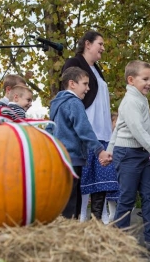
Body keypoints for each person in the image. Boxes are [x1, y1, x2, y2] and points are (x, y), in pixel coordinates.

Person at [106, 60, 150, 254]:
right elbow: (137, 131)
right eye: (145, 79)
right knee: (127, 199)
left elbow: (120, 127)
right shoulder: (130, 101)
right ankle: (118, 241)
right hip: (128, 154)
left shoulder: (140, 98)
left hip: (140, 154)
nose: (149, 83)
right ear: (131, 80)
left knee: (149, 196)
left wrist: (109, 149)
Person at [61, 30, 119, 221]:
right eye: (99, 44)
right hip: (88, 129)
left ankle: (99, 221)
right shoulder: (74, 63)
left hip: (102, 130)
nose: (103, 47)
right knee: (84, 178)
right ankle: (80, 219)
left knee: (100, 179)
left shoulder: (97, 69)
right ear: (87, 44)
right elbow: (71, 95)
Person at [46, 66, 112, 219]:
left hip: (60, 157)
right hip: (73, 157)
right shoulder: (74, 103)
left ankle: (62, 226)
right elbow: (84, 129)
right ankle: (71, 230)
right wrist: (99, 150)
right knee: (72, 200)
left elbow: (50, 129)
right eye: (85, 84)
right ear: (72, 83)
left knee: (63, 198)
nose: (88, 88)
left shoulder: (56, 104)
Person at [105, 112, 120, 223]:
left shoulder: (120, 136)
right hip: (108, 166)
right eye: (115, 122)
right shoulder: (106, 136)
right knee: (109, 191)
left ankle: (121, 211)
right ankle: (112, 213)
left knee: (118, 189)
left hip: (116, 166)